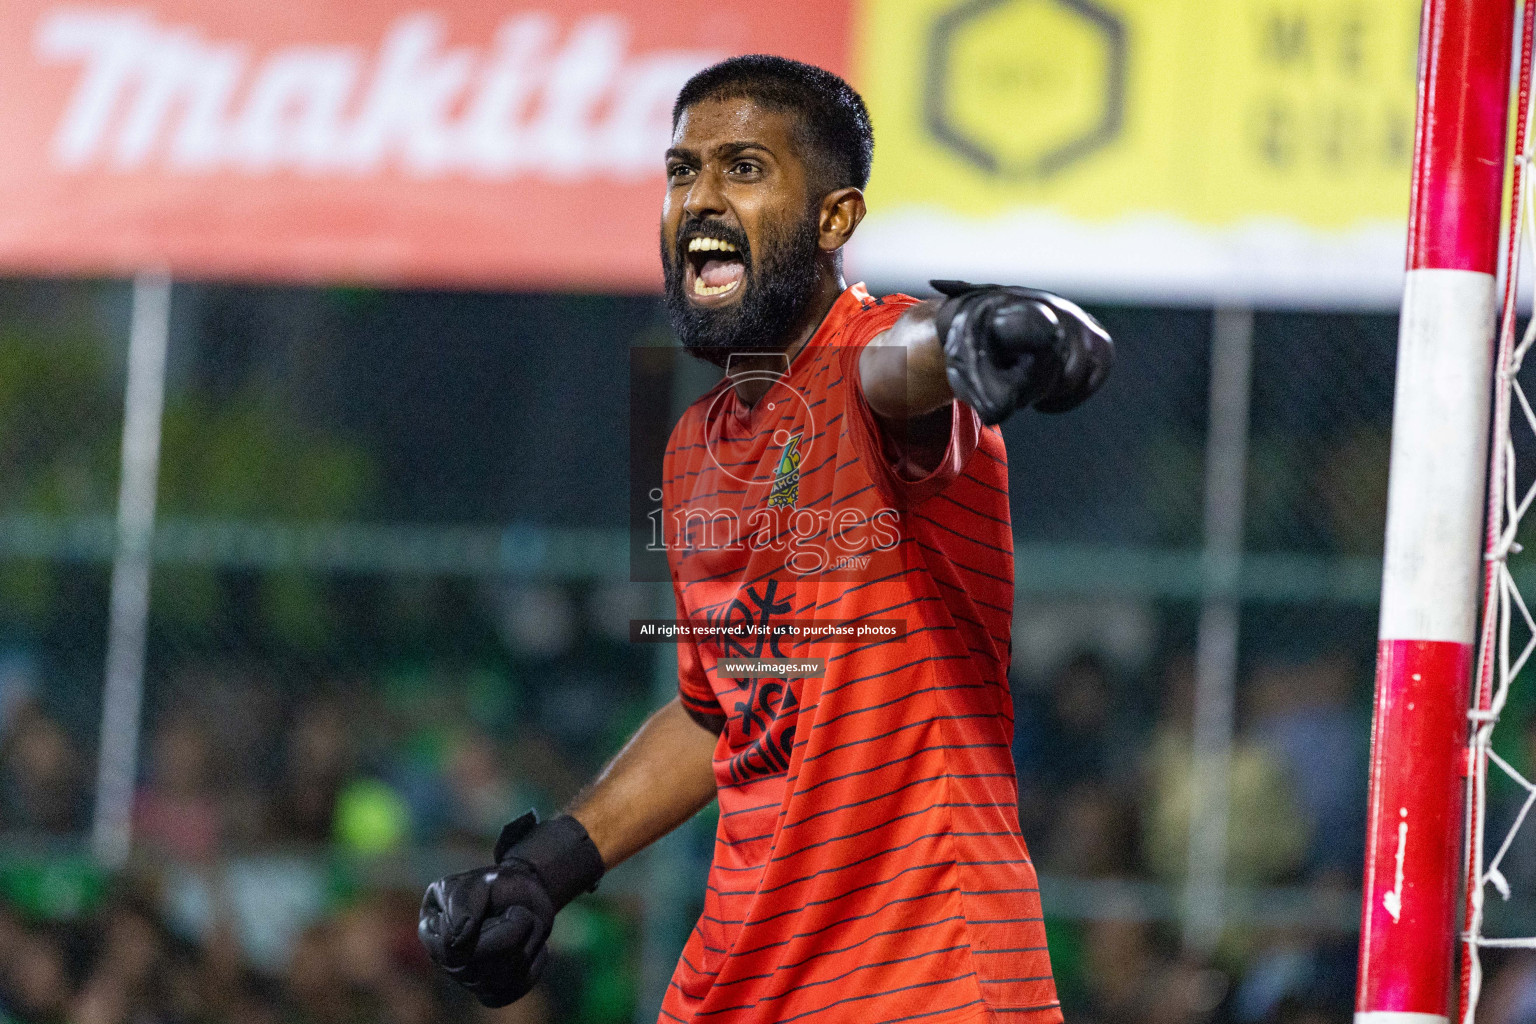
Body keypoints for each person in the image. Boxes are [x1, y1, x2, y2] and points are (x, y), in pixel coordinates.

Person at [417, 55, 1112, 1024]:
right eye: (681, 171)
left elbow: (907, 366)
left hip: (921, 979)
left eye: (743, 168)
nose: (700, 197)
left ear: (835, 219)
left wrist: (979, 330)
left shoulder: (870, 365)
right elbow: (717, 710)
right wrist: (548, 867)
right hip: (737, 983)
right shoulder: (697, 446)